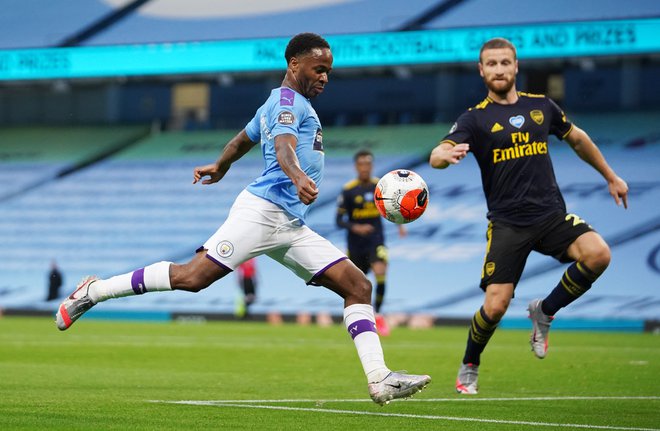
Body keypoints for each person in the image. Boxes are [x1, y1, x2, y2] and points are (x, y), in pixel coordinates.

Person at [56, 32, 430, 405]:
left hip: (291, 225)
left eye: (329, 71)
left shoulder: (281, 102)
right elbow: (283, 147)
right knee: (192, 278)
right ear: (294, 64)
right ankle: (94, 291)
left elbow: (243, 139)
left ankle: (380, 379)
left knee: (357, 287)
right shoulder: (288, 103)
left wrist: (220, 164)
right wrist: (298, 177)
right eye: (319, 69)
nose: (325, 78)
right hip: (262, 213)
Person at [429, 37, 628, 395]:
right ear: (481, 70)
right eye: (492, 64)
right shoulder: (474, 119)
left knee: (599, 254)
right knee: (495, 307)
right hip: (507, 224)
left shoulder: (542, 107)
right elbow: (437, 154)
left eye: (505, 62)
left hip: (551, 216)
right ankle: (470, 364)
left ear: (516, 66)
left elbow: (579, 139)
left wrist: (611, 176)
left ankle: (545, 311)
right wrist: (446, 155)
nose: (499, 69)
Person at [336, 149, 406, 336]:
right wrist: (356, 227)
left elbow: (394, 207)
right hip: (355, 244)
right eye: (361, 164)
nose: (365, 168)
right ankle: (356, 318)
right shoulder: (349, 190)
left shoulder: (381, 187)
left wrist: (399, 223)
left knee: (380, 271)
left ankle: (379, 314)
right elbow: (339, 220)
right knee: (356, 285)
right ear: (356, 166)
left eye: (368, 164)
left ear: (372, 166)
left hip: (376, 240)